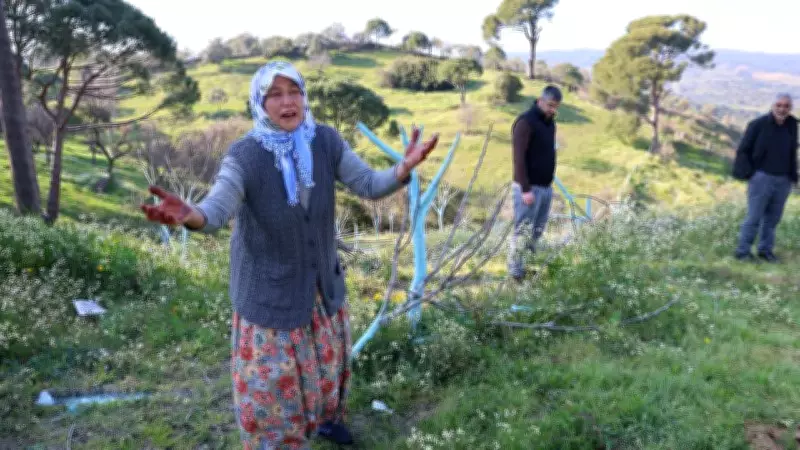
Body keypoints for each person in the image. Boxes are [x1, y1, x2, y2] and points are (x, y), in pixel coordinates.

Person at [140, 61, 440, 449]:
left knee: (328, 368)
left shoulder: (325, 141)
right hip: (270, 294)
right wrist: (191, 215)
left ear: (304, 96)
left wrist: (402, 168)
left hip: (320, 287)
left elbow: (367, 183)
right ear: (259, 104)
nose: (287, 102)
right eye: (274, 95)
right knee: (273, 385)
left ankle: (327, 422)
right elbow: (217, 209)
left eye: (294, 91)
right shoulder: (245, 157)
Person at [732, 93, 798, 263]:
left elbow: (792, 152)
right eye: (779, 105)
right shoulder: (758, 125)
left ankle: (765, 251)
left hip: (783, 180)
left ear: (790, 108)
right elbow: (743, 150)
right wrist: (750, 174)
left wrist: (793, 177)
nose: (782, 109)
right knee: (754, 217)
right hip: (761, 178)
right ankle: (743, 252)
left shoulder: (792, 125)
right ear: (772, 106)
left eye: (786, 106)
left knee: (772, 220)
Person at [507, 85, 562, 281]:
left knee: (537, 231)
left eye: (556, 107)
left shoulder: (550, 124)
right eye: (550, 105)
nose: (552, 110)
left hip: (545, 188)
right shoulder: (525, 122)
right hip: (528, 189)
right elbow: (518, 158)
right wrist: (525, 189)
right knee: (523, 230)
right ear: (540, 100)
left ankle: (527, 267)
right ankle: (515, 271)